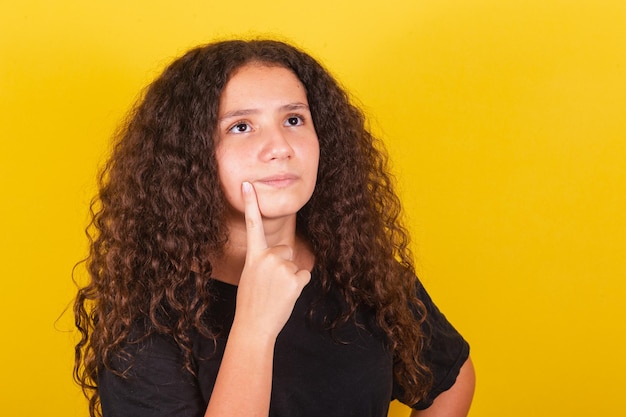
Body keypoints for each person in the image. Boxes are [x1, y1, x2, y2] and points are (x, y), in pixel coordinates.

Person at [73, 39, 475, 417]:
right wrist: (254, 328)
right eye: (241, 127)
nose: (280, 146)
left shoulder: (359, 267)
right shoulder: (149, 318)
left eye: (294, 119)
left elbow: (450, 377)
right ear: (188, 156)